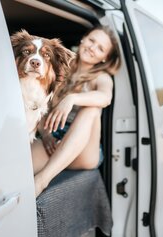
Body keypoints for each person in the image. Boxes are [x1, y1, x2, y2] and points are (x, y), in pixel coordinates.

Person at [31, 26, 121, 197]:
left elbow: (105, 97)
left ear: (105, 58)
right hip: (54, 139)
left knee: (92, 109)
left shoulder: (101, 77)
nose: (93, 48)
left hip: (85, 151)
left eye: (101, 48)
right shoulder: (60, 66)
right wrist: (46, 134)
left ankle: (42, 181)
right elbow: (41, 104)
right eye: (92, 40)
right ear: (83, 39)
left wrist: (72, 98)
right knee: (19, 164)